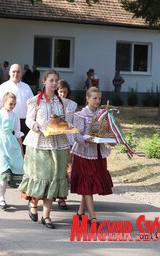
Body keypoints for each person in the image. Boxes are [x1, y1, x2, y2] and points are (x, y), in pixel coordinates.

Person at [18, 70, 70, 229]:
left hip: (57, 142)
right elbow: (28, 120)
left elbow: (63, 120)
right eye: (51, 80)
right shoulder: (35, 101)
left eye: (56, 80)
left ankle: (46, 216)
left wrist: (65, 125)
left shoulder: (61, 101)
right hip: (38, 143)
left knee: (54, 177)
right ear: (44, 82)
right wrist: (35, 126)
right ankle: (33, 204)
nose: (54, 83)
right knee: (39, 177)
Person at [70, 86, 114, 225]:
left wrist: (110, 139)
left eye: (99, 98)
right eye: (94, 98)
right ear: (87, 98)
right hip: (83, 153)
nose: (97, 101)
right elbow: (76, 135)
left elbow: (105, 131)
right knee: (87, 183)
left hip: (97, 152)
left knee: (89, 183)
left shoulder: (102, 114)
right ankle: (92, 217)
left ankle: (80, 213)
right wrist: (85, 139)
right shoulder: (80, 115)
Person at [0, 64, 34, 152]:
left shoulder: (26, 87)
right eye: (13, 72)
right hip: (7, 123)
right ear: (9, 73)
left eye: (18, 72)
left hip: (24, 123)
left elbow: (33, 106)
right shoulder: (3, 87)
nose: (16, 74)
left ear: (21, 73)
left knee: (22, 150)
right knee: (8, 150)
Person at [56, 79, 78, 210]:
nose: (62, 94)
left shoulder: (72, 104)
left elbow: (73, 121)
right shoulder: (53, 103)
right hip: (56, 137)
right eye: (60, 92)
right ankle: (54, 194)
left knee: (67, 168)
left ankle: (62, 197)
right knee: (57, 168)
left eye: (64, 92)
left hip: (68, 138)